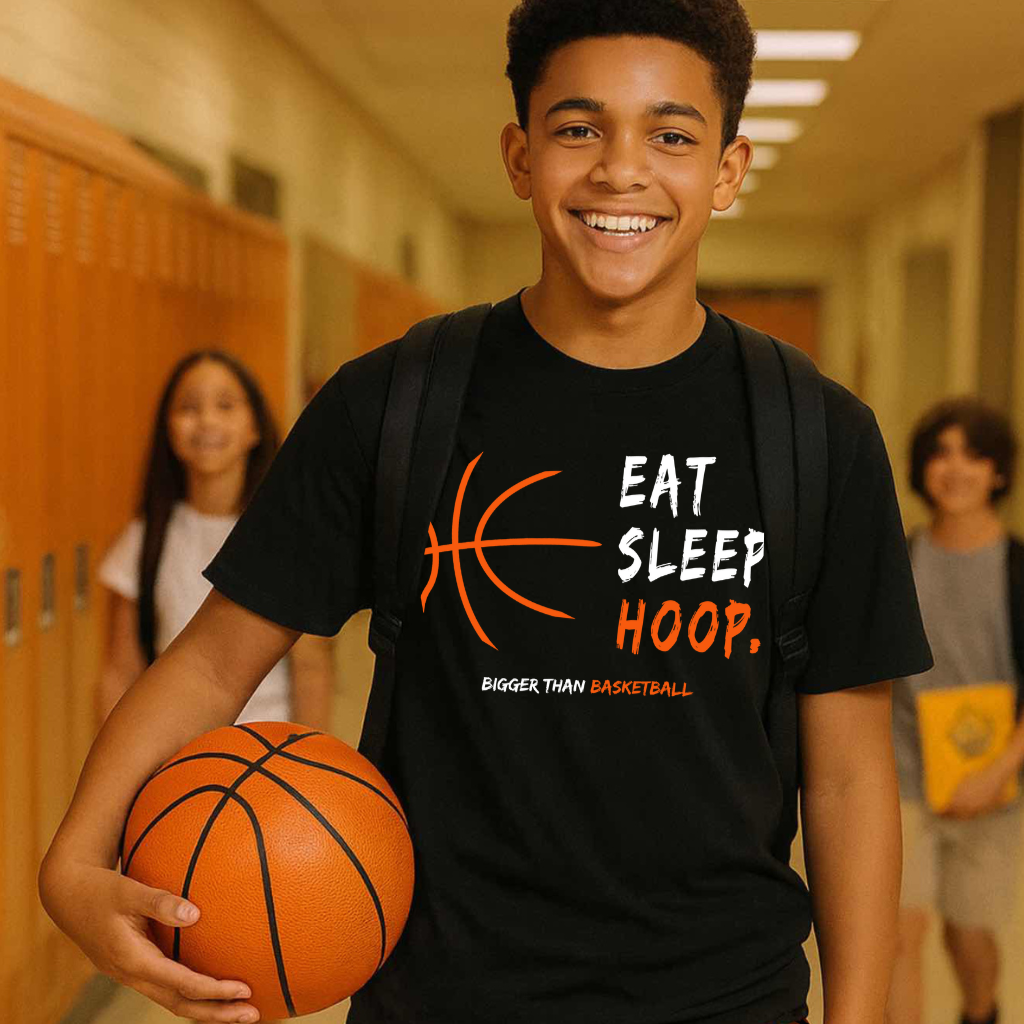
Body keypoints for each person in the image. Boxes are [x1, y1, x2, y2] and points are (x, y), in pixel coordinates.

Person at [39, 3, 933, 1023]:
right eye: (579, 128)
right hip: (442, 994)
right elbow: (209, 664)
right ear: (520, 155)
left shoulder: (817, 435)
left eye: (671, 135)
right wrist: (74, 858)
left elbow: (849, 774)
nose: (621, 170)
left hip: (724, 998)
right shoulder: (392, 404)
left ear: (727, 170)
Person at [95, 350, 334, 732]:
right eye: (189, 407)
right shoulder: (142, 541)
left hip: (268, 749)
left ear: (255, 427)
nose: (207, 420)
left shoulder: (283, 537)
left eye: (225, 405)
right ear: (169, 429)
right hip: (177, 754)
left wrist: (308, 761)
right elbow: (121, 672)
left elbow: (310, 667)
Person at [887, 398, 1024, 1024]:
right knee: (899, 930)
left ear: (998, 472)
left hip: (994, 780)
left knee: (967, 935)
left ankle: (980, 1010)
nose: (955, 468)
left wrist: (995, 774)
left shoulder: (1016, 568)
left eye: (973, 454)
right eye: (940, 453)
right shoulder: (897, 560)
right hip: (902, 773)